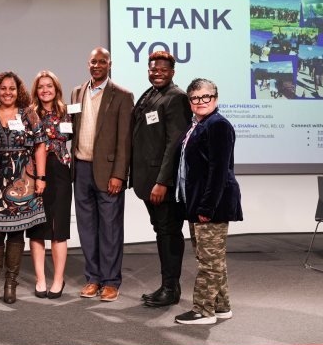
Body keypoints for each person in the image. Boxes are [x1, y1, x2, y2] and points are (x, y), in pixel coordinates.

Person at [174, 78, 243, 325]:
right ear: (190, 102)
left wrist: (206, 207)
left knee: (209, 262)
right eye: (195, 98)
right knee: (211, 259)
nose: (200, 102)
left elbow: (218, 171)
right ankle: (222, 306)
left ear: (215, 98)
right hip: (198, 204)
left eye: (206, 97)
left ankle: (203, 311)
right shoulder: (200, 125)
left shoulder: (218, 126)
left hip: (212, 206)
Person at [70, 47, 134, 303]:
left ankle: (110, 282)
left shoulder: (122, 95)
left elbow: (125, 140)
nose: (97, 65)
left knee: (110, 229)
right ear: (88, 64)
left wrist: (119, 174)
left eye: (102, 62)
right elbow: (70, 128)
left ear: (110, 64)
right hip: (81, 169)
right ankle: (93, 278)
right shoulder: (77, 92)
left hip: (108, 173)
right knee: (86, 228)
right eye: (93, 61)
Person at [129, 52, 191, 308]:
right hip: (147, 180)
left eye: (162, 70)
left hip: (161, 183)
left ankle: (170, 288)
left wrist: (162, 181)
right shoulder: (150, 94)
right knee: (162, 231)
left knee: (169, 232)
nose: (157, 73)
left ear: (172, 72)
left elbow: (174, 144)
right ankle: (167, 286)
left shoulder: (176, 98)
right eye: (153, 69)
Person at [0, 72, 47, 304]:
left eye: (11, 88)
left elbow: (40, 146)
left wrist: (41, 177)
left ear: (17, 90)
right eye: (3, 89)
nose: (7, 93)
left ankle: (11, 283)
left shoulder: (28, 113)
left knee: (17, 232)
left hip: (23, 181)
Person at [27, 71, 73, 299]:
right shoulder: (29, 113)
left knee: (59, 228)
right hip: (35, 172)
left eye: (50, 86)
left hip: (61, 172)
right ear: (36, 90)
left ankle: (58, 279)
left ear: (56, 89)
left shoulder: (67, 111)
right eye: (41, 86)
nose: (45, 90)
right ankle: (40, 279)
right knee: (37, 228)